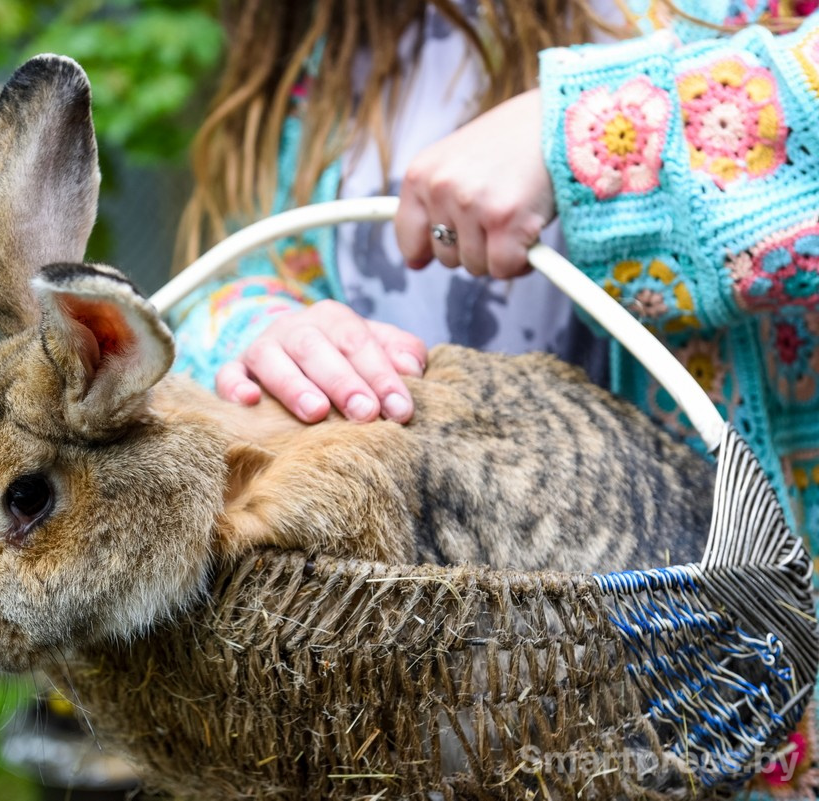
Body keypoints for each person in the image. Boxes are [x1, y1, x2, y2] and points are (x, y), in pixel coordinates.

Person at [167, 3, 819, 795]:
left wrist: (585, 130)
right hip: (435, 709)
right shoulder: (338, 39)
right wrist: (269, 336)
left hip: (726, 685)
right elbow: (241, 274)